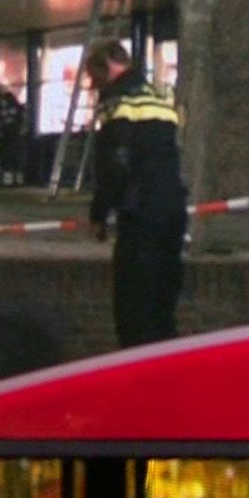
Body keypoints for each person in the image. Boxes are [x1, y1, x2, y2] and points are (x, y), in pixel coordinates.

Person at [84, 39, 188, 347]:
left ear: (107, 67)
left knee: (133, 303)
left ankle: (134, 364)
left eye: (95, 76)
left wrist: (99, 214)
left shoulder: (117, 102)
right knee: (163, 301)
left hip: (140, 212)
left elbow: (112, 166)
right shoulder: (159, 96)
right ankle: (165, 362)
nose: (93, 85)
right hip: (173, 209)